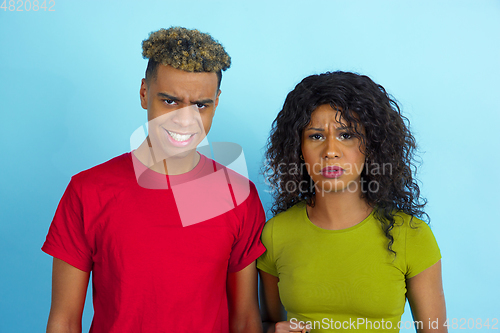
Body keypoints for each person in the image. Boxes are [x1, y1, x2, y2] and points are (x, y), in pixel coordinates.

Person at [42, 27, 265, 333]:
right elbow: (64, 322)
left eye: (201, 105)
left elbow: (246, 320)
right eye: (170, 101)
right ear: (145, 93)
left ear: (217, 101)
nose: (185, 120)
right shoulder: (87, 191)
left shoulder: (238, 194)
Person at [257, 71, 447, 332]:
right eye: (316, 136)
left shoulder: (412, 236)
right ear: (297, 149)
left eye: (347, 135)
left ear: (372, 145)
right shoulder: (276, 233)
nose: (331, 151)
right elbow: (268, 321)